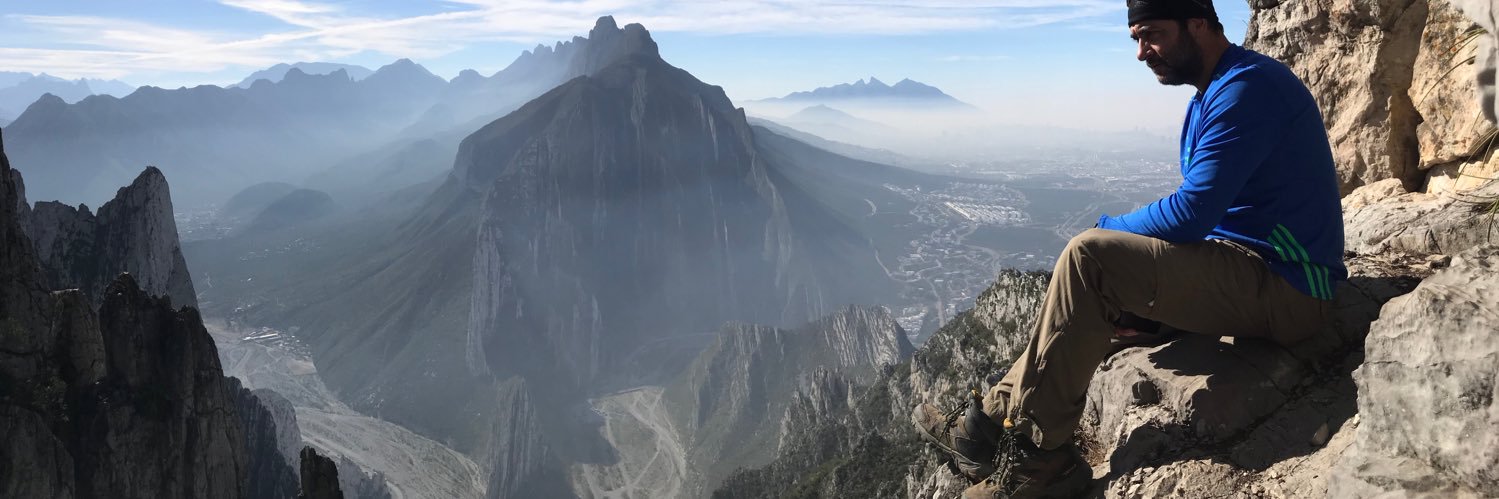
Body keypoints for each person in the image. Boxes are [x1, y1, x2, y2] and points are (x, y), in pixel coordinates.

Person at [911, 0, 1346, 497]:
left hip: (1290, 285)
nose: (1142, 53)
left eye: (1152, 35)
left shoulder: (1247, 89)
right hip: (1247, 267)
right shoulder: (1215, 91)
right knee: (1084, 301)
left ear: (1198, 24)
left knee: (1089, 258)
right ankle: (986, 427)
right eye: (1136, 39)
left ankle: (1041, 459)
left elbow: (1191, 213)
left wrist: (1111, 228)